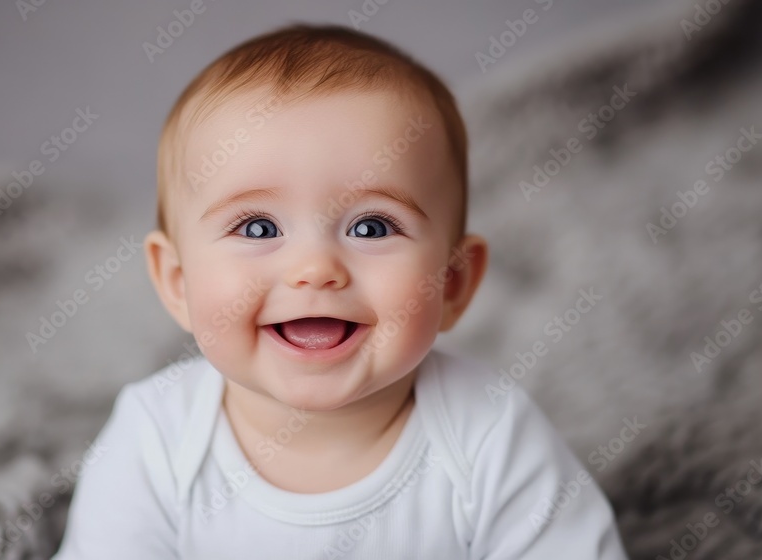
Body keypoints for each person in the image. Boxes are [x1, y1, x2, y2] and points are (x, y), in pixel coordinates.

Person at [53, 24, 627, 559]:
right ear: (177, 284)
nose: (315, 269)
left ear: (453, 283)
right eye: (258, 228)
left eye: (372, 227)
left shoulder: (491, 435)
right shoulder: (156, 439)